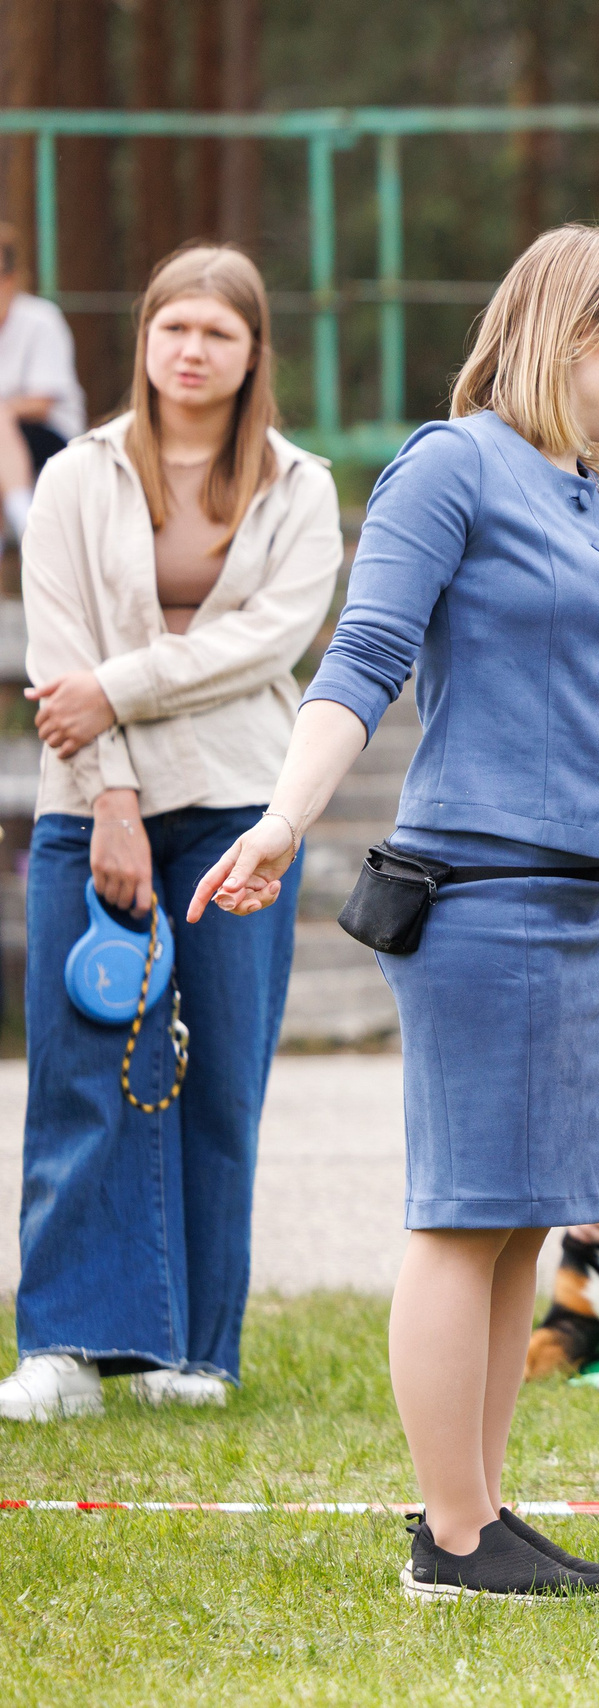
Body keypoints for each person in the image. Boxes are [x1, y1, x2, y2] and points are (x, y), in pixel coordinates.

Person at [186, 226, 599, 1599]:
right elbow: (365, 657)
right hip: (475, 903)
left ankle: (483, 1515)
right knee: (462, 1219)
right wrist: (282, 818)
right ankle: (448, 1536)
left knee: (525, 1220)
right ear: (571, 338)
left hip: (581, 908)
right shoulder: (451, 466)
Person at [0, 246, 339, 1426]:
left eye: (218, 332)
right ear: (144, 340)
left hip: (244, 804)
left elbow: (268, 641)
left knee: (220, 1076)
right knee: (88, 1070)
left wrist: (122, 684)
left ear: (254, 355)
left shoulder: (300, 485)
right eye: (172, 327)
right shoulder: (77, 475)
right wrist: (111, 800)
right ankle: (66, 1344)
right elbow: (57, 663)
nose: (191, 349)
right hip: (89, 803)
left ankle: (195, 1347)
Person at [0, 220, 86, 548]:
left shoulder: (40, 320)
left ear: (10, 279)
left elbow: (42, 402)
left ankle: (26, 527)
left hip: (54, 440)